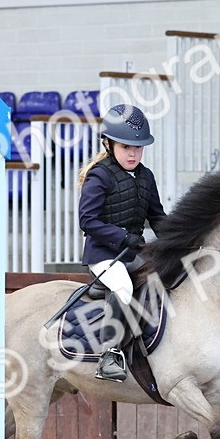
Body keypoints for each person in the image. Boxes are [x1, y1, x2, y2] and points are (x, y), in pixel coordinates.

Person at [77, 104, 167, 382]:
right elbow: (87, 221)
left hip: (132, 253)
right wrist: (123, 237)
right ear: (109, 143)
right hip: (104, 255)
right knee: (124, 287)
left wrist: (182, 239)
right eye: (126, 147)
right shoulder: (100, 175)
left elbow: (157, 217)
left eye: (138, 148)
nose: (132, 153)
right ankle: (109, 355)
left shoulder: (146, 177)